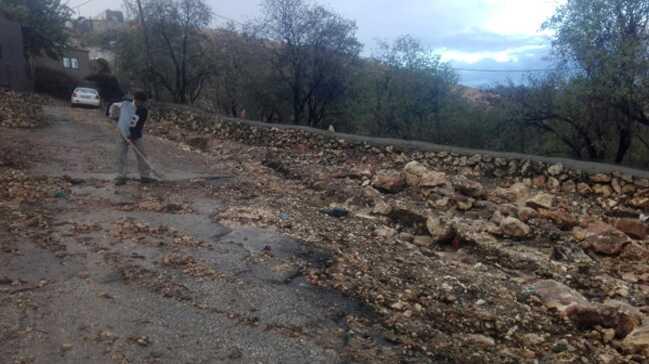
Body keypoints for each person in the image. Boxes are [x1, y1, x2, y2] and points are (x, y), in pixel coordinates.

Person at [113, 91, 155, 185]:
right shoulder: (125, 104)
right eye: (140, 102)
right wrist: (115, 117)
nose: (142, 104)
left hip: (135, 135)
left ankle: (145, 176)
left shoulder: (143, 110)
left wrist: (132, 136)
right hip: (122, 132)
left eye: (144, 103)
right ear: (135, 100)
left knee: (142, 154)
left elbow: (139, 125)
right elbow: (113, 108)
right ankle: (121, 176)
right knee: (121, 154)